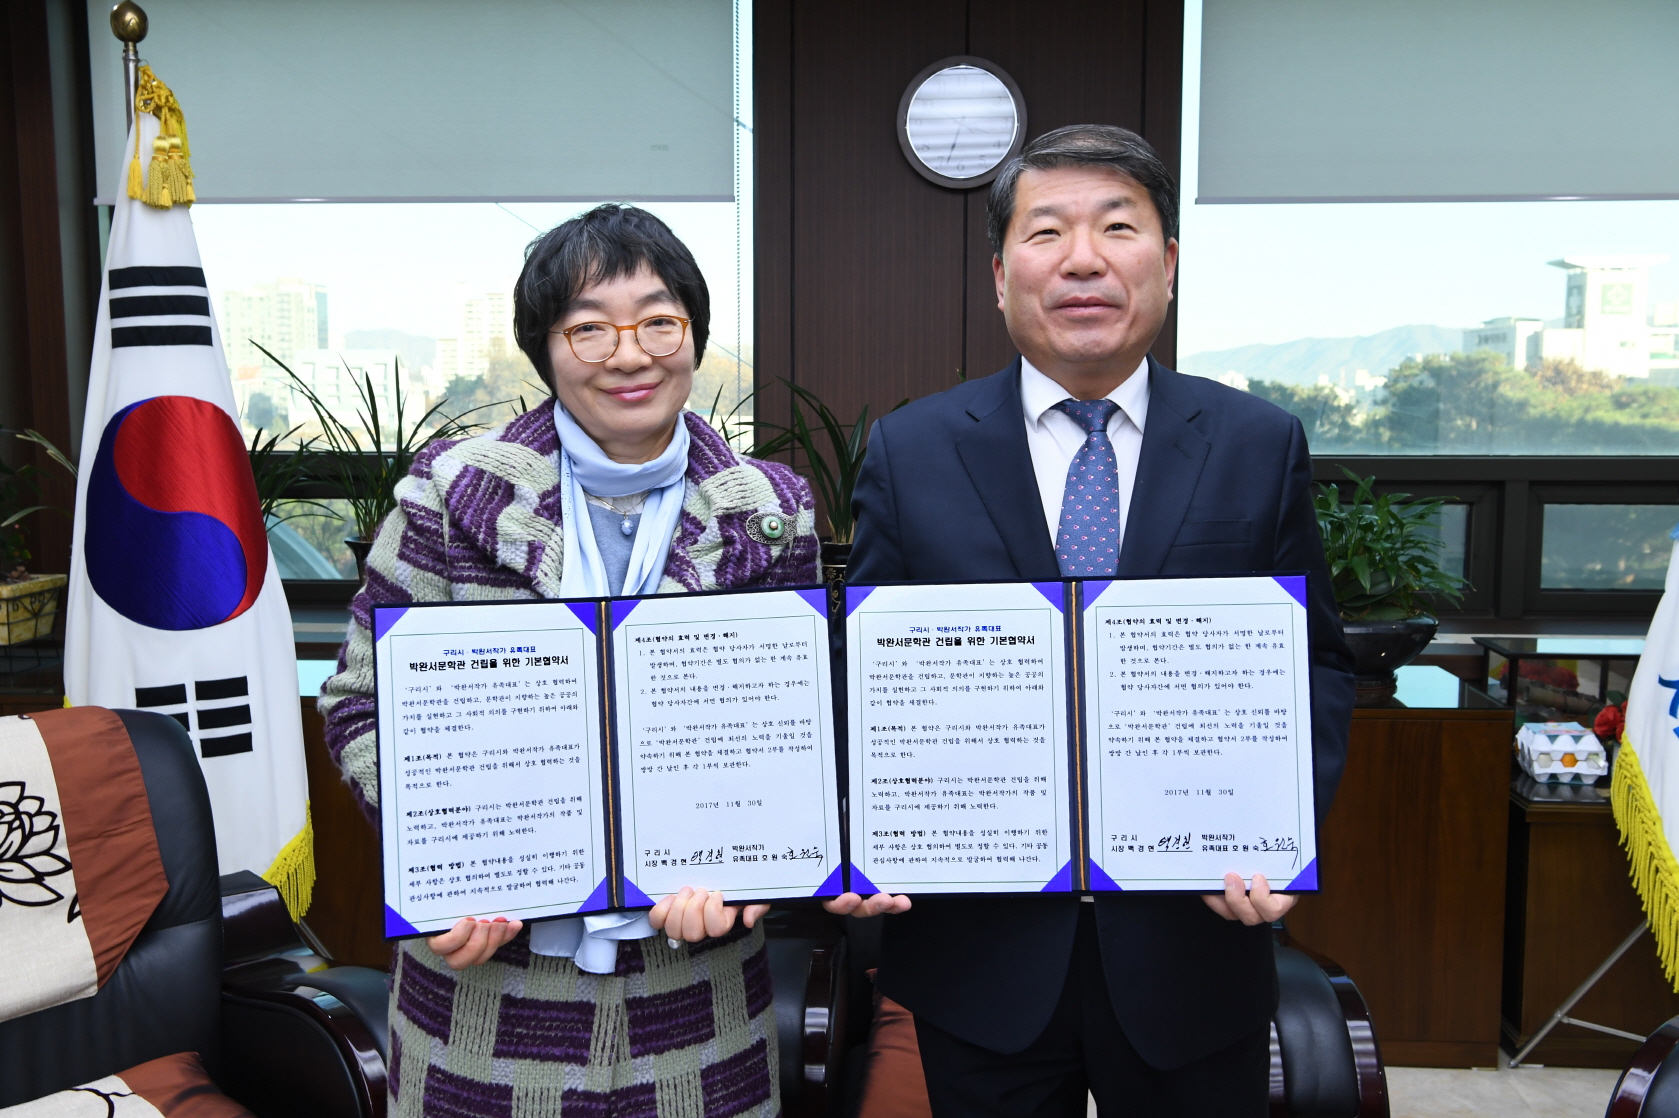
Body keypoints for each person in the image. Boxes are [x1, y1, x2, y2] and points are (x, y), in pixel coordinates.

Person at [828, 125, 1356, 1116]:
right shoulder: (912, 449)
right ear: (998, 275)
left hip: (1191, 943)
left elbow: (1315, 661)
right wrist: (856, 829)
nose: (1081, 258)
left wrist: (1286, 832)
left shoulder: (1253, 443)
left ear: (1164, 265)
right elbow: (863, 673)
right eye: (1046, 232)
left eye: (1117, 226)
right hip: (979, 955)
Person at [318, 204, 818, 1118]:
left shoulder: (770, 509)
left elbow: (795, 733)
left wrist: (756, 875)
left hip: (695, 992)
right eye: (588, 327)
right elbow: (360, 704)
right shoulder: (448, 495)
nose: (630, 355)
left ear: (694, 335)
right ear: (544, 348)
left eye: (658, 321)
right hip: (485, 986)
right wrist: (443, 862)